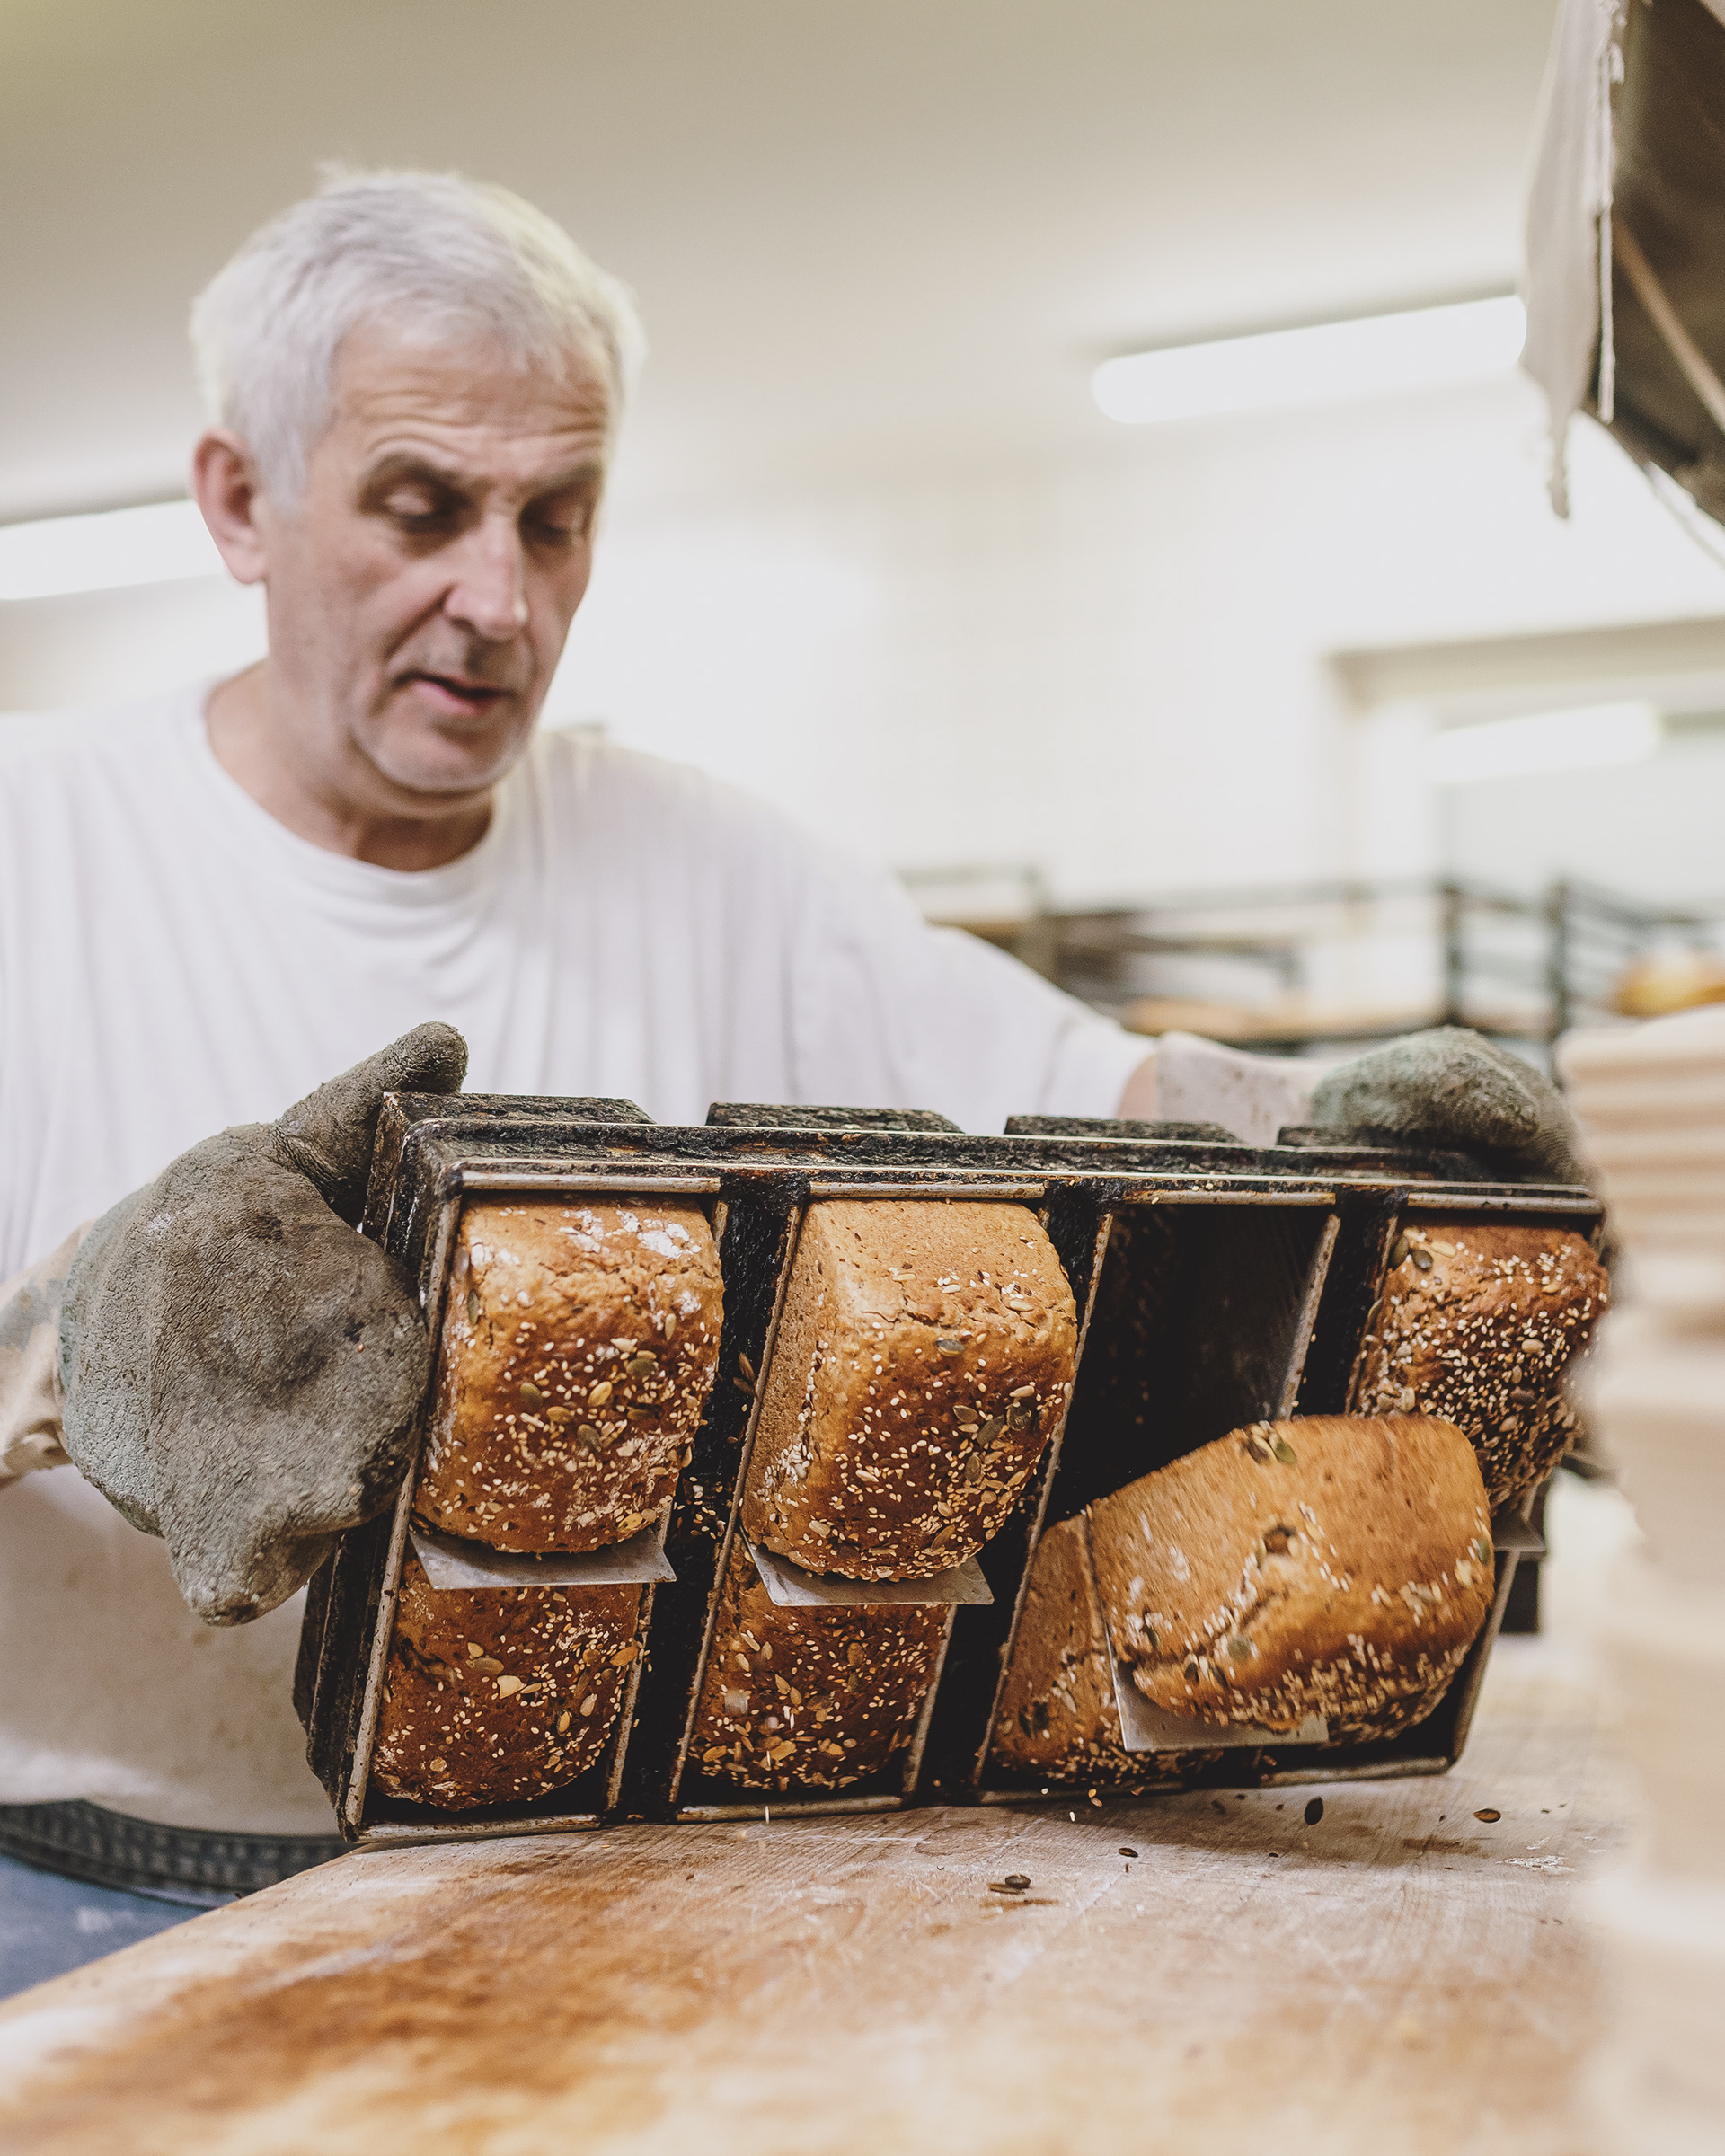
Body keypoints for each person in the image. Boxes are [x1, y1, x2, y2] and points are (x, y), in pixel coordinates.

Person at [0, 171, 1588, 1925]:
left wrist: (1338, 1136)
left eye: (556, 519)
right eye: (424, 507)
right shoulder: (37, 846)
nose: (500, 601)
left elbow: (1100, 1100)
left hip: (559, 1879)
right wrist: (71, 1347)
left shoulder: (715, 868)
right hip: (84, 1887)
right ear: (241, 499)